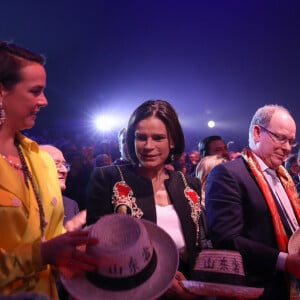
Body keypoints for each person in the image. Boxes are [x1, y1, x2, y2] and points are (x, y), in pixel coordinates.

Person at [0, 41, 97, 298]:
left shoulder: (42, 160)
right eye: (35, 91)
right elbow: (41, 251)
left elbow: (50, 244)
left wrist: (72, 245)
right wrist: (39, 254)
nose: (44, 101)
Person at [86, 99, 210, 299]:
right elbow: (98, 248)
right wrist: (159, 278)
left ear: (173, 141)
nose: (148, 146)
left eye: (158, 138)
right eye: (141, 137)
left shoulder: (189, 184)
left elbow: (198, 247)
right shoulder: (107, 178)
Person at [205, 104, 300, 299]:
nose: (287, 148)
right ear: (257, 132)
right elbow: (226, 238)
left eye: (291, 141)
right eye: (281, 138)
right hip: (260, 288)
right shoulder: (228, 174)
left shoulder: (284, 176)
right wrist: (284, 261)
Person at [39, 144, 86, 231]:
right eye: (56, 164)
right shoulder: (23, 203)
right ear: (36, 167)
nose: (64, 170)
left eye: (64, 164)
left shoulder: (71, 205)